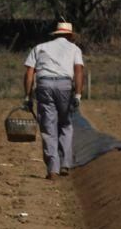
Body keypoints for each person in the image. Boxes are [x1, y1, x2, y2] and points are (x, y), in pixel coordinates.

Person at [23, 21, 84, 180]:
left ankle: (52, 169)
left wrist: (27, 96)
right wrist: (77, 94)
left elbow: (30, 72)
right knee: (65, 124)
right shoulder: (75, 49)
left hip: (44, 85)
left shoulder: (40, 47)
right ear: (70, 36)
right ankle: (65, 163)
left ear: (56, 34)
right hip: (65, 85)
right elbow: (78, 71)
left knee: (48, 127)